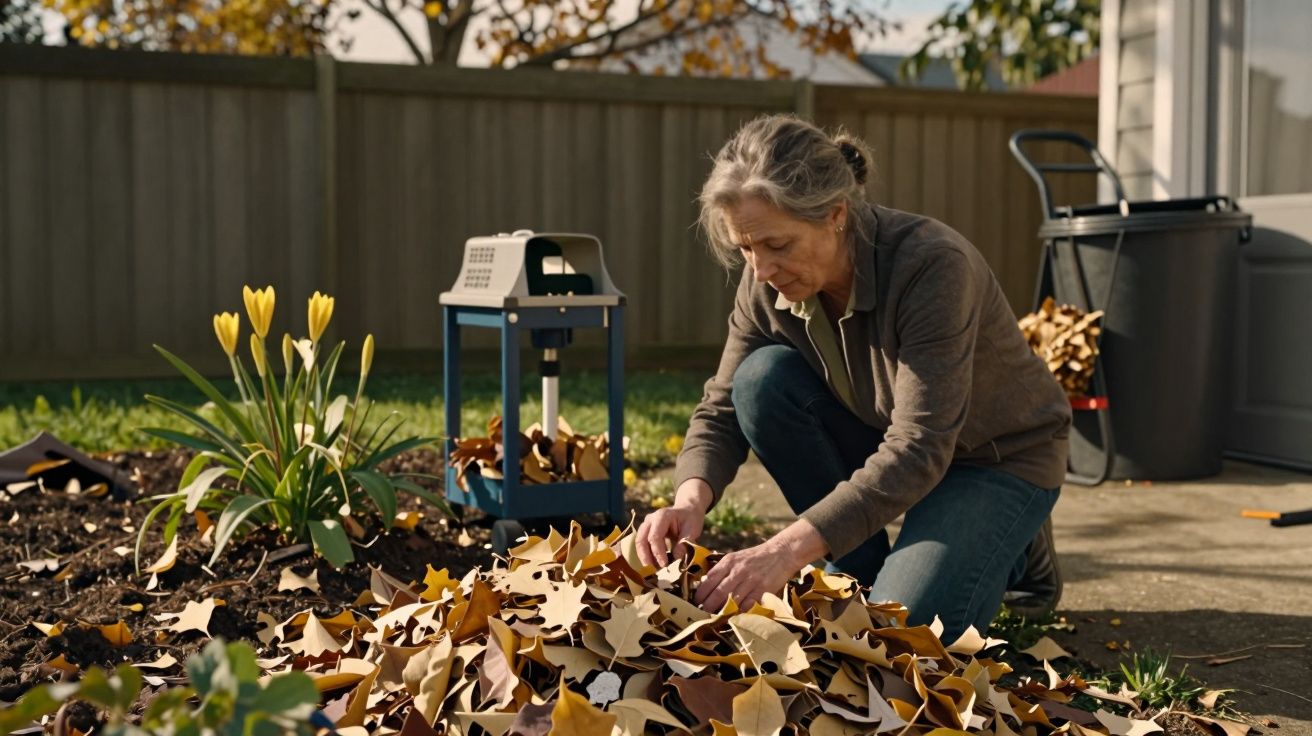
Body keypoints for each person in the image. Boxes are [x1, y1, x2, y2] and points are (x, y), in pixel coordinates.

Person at [634, 114, 1072, 643]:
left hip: (993, 457)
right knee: (761, 381)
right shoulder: (765, 284)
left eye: (777, 245)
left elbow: (920, 446)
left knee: (904, 637)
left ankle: (1017, 543)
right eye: (745, 248)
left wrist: (783, 551)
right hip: (887, 435)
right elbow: (723, 405)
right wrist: (689, 500)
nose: (760, 269)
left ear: (835, 215)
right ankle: (857, 568)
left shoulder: (932, 266)